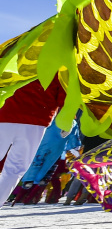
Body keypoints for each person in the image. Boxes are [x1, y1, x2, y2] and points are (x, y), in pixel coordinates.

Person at [0, 76, 66, 209]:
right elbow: (65, 92)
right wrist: (66, 120)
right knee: (15, 169)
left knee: (15, 169)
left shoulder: (13, 54)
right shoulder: (62, 62)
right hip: (36, 118)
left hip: (6, 111)